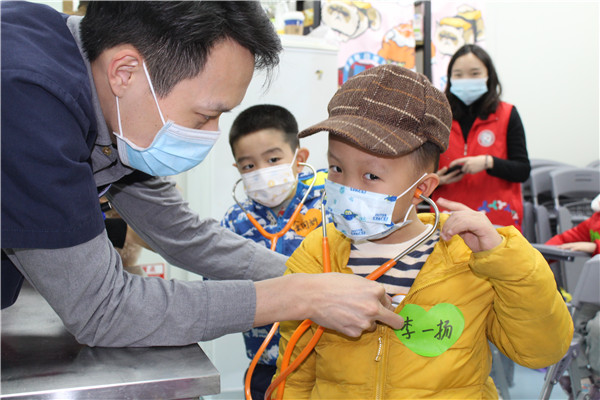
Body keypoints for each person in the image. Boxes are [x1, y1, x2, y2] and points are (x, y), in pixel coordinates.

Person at [1, 1, 403, 348]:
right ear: (125, 72)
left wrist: (316, 276)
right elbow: (104, 309)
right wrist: (296, 296)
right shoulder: (27, 102)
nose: (210, 135)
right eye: (205, 114)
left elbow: (183, 234)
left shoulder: (107, 100)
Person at [271, 65, 573, 399]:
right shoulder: (317, 254)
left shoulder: (467, 257)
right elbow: (294, 372)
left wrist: (506, 261)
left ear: (421, 188)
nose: (346, 187)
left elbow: (541, 350)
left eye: (371, 176)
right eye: (337, 168)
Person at [221, 104, 328, 400]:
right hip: (265, 362)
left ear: (299, 159)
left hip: (325, 358)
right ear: (238, 169)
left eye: (273, 159)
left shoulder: (328, 203)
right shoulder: (235, 221)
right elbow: (218, 285)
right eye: (249, 166)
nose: (262, 172)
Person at [432, 44, 531, 232]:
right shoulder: (438, 116)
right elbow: (419, 171)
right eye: (458, 74)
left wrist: (488, 162)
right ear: (450, 78)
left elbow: (523, 170)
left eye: (475, 73)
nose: (466, 80)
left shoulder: (507, 114)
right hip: (447, 220)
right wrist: (436, 180)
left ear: (489, 76)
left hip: (497, 220)